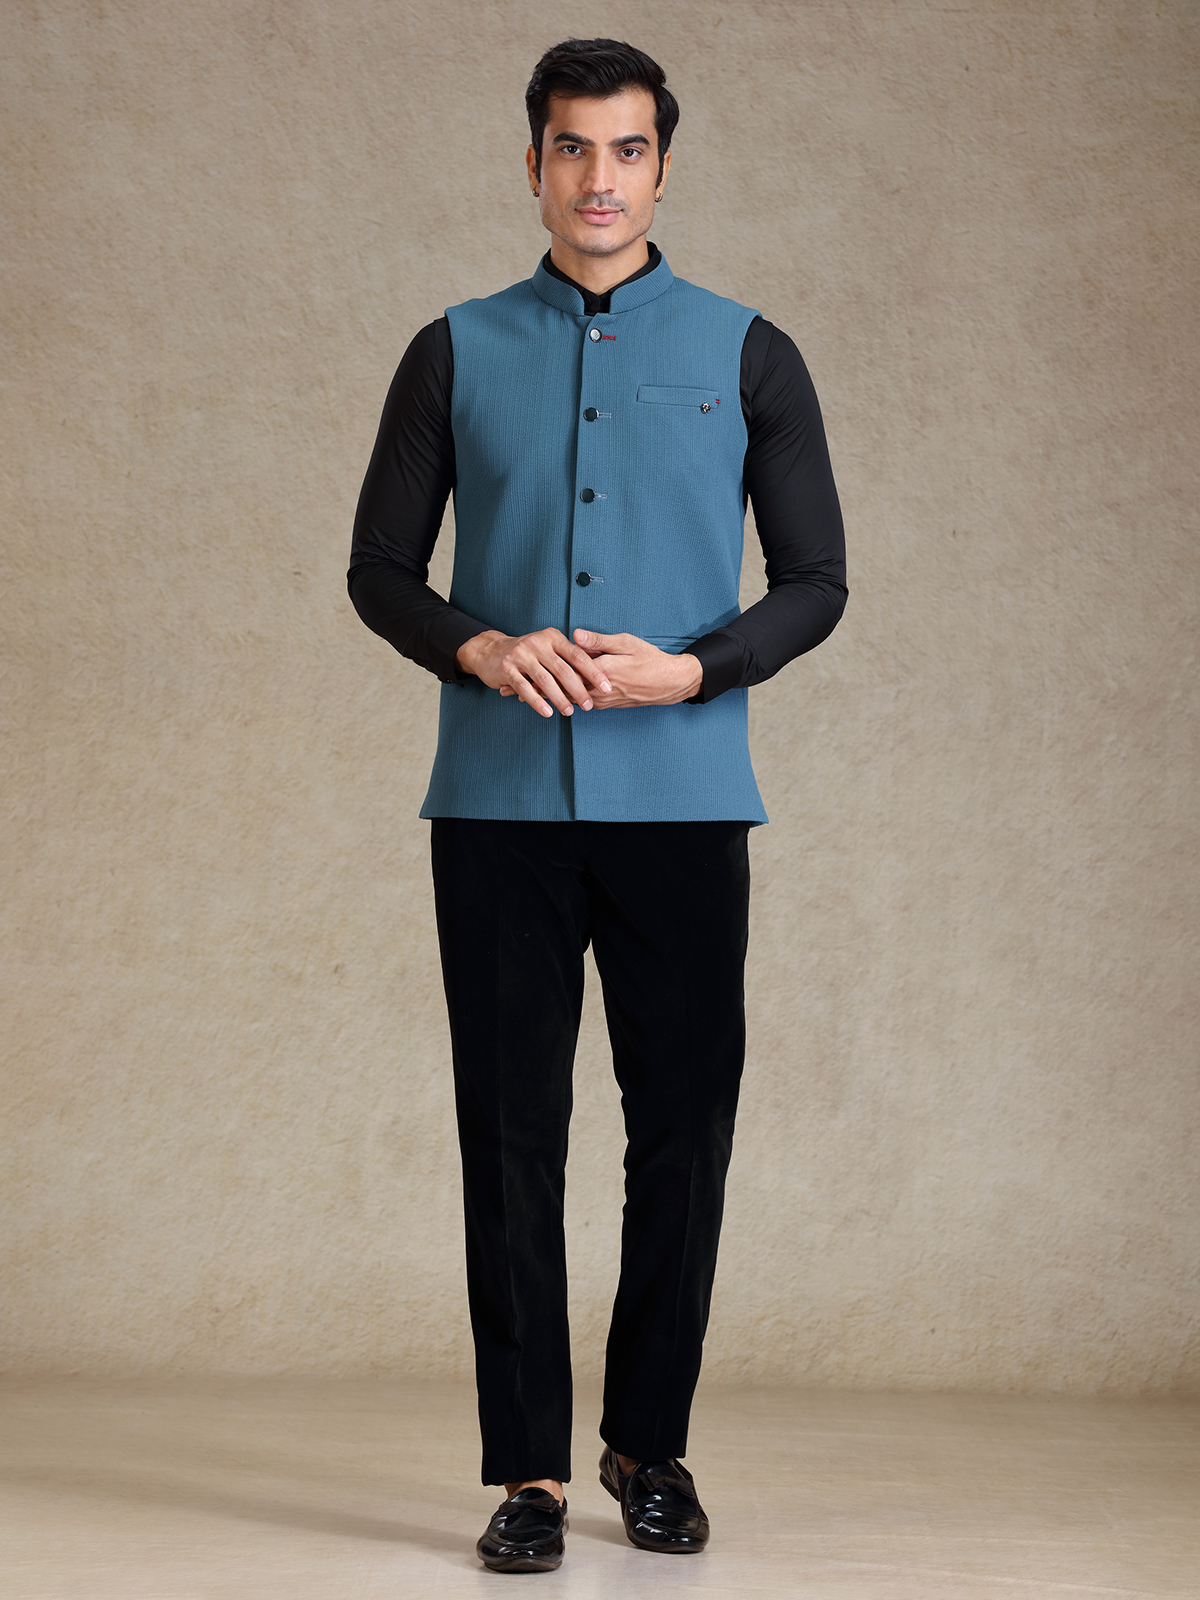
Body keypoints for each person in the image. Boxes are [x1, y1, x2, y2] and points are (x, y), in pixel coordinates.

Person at [349, 37, 846, 1574]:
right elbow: (379, 570)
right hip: (496, 808)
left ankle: (648, 1446)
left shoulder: (751, 351)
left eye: (627, 149)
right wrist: (481, 646)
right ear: (534, 165)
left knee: (683, 1128)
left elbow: (817, 580)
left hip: (685, 804)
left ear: (663, 169)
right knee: (509, 1135)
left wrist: (693, 672)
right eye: (572, 148)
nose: (600, 178)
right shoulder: (453, 350)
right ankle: (529, 1473)